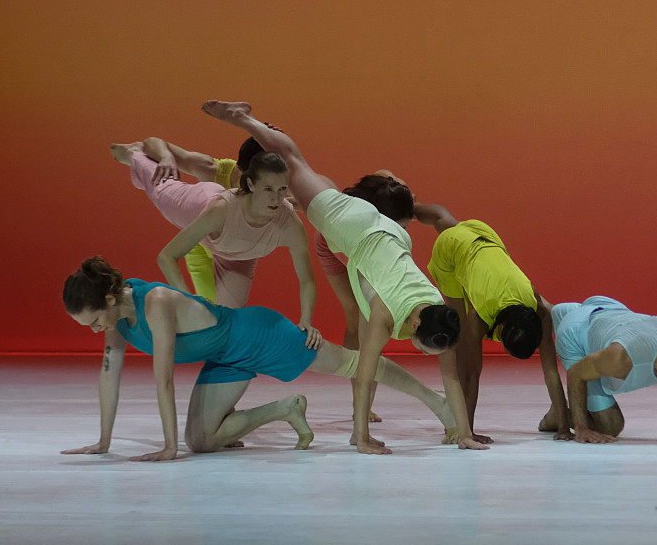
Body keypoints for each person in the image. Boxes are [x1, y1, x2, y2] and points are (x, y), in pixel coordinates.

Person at [201, 99, 485, 454]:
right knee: (294, 161)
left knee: (302, 180)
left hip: (383, 234)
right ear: (414, 326)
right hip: (352, 224)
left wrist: (465, 433)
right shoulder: (385, 314)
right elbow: (364, 375)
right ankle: (243, 119)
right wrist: (362, 437)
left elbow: (451, 377)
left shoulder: (440, 318)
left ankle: (255, 130)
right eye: (427, 350)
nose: (430, 355)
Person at [61, 257, 455, 461]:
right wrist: (103, 442)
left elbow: (163, 380)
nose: (95, 329)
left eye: (93, 321)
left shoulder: (155, 303)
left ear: (109, 299)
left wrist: (168, 448)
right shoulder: (115, 317)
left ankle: (435, 400)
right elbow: (108, 375)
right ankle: (286, 409)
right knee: (201, 442)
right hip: (224, 357)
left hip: (257, 335)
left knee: (353, 363)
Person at [109, 138, 320, 343]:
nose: (277, 199)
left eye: (282, 189)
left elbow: (307, 280)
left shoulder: (290, 224)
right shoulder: (219, 205)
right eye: (268, 189)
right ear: (250, 183)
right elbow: (167, 256)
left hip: (237, 257)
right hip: (199, 209)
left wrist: (306, 321)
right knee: (160, 185)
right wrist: (187, 302)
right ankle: (133, 155)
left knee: (227, 325)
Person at [411, 201, 569, 441]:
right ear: (501, 328)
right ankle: (458, 423)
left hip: (484, 235)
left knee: (445, 220)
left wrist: (564, 427)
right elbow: (472, 373)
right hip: (451, 251)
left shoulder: (538, 309)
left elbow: (551, 371)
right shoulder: (478, 318)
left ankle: (409, 206)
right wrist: (468, 432)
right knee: (459, 340)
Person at [313, 170, 417, 425]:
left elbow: (385, 174)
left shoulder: (393, 188)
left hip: (360, 242)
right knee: (360, 319)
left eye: (405, 227)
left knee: (369, 320)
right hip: (337, 244)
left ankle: (364, 404)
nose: (403, 232)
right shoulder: (357, 223)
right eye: (401, 227)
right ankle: (361, 403)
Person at [552, 296, 657, 443]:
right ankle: (556, 415)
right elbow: (576, 373)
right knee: (609, 426)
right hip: (576, 332)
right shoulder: (621, 358)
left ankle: (571, 309)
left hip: (611, 310)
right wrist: (581, 428)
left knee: (605, 419)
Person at [127, 135, 262, 303]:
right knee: (210, 308)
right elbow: (150, 143)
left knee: (227, 311)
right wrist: (166, 156)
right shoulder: (214, 169)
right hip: (199, 241)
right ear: (240, 170)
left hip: (231, 250)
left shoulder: (277, 187)